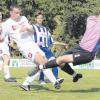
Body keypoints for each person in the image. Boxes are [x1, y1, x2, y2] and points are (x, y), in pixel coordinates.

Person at [4, 5, 64, 90]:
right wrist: (9, 42)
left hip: (33, 44)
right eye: (16, 13)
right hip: (25, 47)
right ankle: (55, 82)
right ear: (11, 13)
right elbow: (2, 37)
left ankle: (25, 84)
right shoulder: (6, 24)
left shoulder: (23, 18)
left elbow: (32, 30)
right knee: (42, 63)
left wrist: (27, 28)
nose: (18, 14)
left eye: (19, 12)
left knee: (43, 64)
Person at [32, 10, 64, 84]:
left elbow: (52, 41)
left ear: (43, 19)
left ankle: (55, 78)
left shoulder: (45, 29)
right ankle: (41, 79)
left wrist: (62, 44)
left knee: (54, 62)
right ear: (35, 19)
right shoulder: (32, 28)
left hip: (46, 49)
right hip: (38, 48)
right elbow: (28, 38)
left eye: (41, 18)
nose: (40, 19)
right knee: (43, 64)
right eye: (38, 18)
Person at [0, 12, 16, 82]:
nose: (0, 16)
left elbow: (10, 33)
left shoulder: (4, 24)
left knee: (8, 61)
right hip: (1, 44)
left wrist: (11, 41)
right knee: (6, 58)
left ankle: (6, 76)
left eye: (0, 15)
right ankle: (7, 77)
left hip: (5, 45)